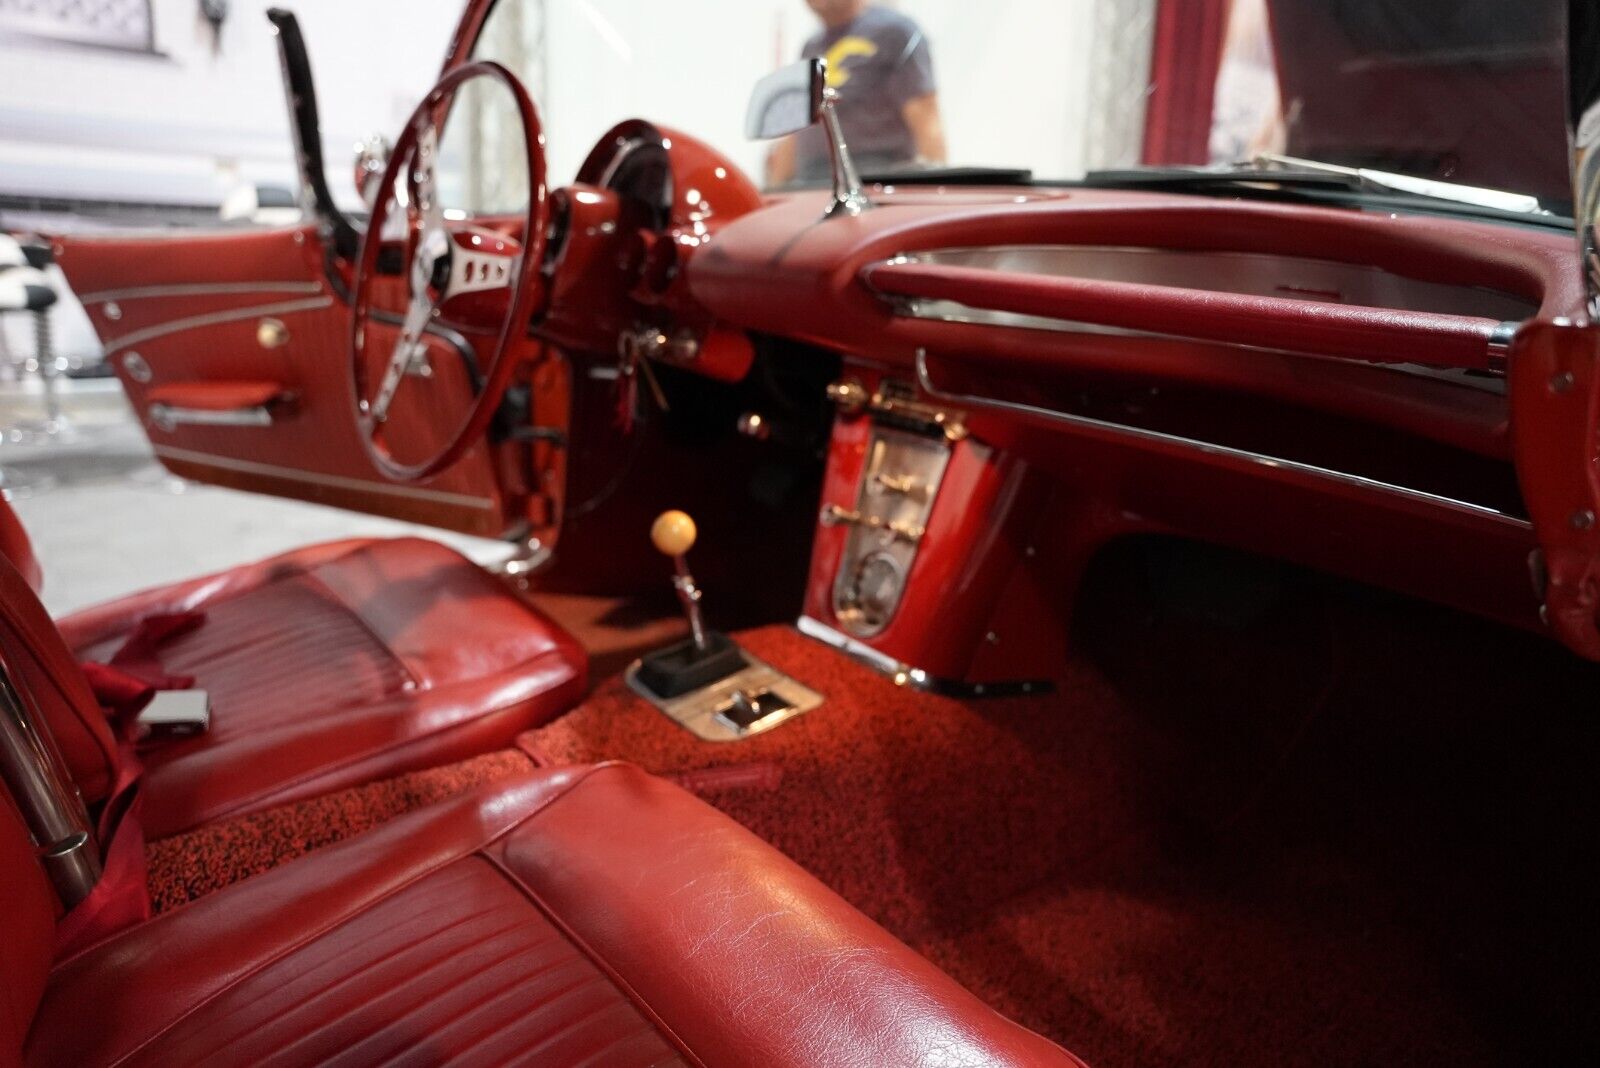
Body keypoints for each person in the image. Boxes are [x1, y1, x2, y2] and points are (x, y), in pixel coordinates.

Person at [766, 0, 947, 186]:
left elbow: (927, 121)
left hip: (875, 181)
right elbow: (797, 127)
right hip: (811, 182)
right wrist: (773, 191)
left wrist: (935, 187)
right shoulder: (811, 46)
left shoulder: (895, 32)